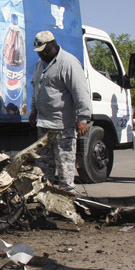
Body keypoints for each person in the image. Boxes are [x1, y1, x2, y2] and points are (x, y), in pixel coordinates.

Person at [29, 30, 91, 193]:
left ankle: (68, 200)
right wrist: (33, 110)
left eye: (44, 50)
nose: (41, 54)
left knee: (65, 168)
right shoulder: (40, 65)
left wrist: (83, 118)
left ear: (52, 45)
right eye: (39, 51)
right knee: (43, 168)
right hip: (43, 125)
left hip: (62, 126)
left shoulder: (68, 63)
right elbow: (36, 88)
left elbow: (81, 92)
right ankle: (45, 201)